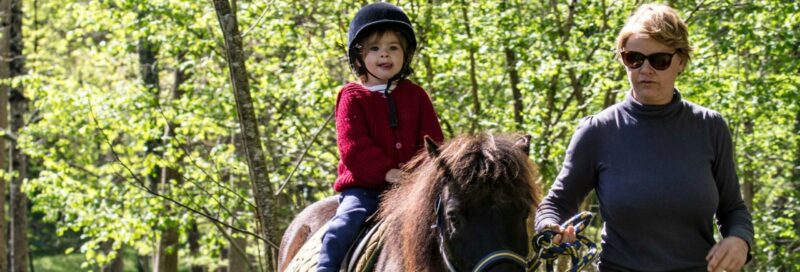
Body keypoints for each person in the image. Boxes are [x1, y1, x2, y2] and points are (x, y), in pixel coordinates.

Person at [534, 4, 753, 272]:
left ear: (681, 61)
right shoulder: (598, 131)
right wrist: (550, 227)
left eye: (659, 60)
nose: (645, 69)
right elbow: (556, 203)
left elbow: (733, 210)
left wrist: (740, 241)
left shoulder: (710, 127)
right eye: (634, 58)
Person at [317, 2, 444, 272]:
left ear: (405, 54)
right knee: (342, 227)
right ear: (359, 56)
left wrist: (420, 176)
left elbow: (433, 143)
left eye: (393, 48)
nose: (384, 55)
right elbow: (353, 147)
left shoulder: (416, 95)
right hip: (365, 190)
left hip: (414, 189)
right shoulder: (352, 97)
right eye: (375, 48)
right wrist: (388, 172)